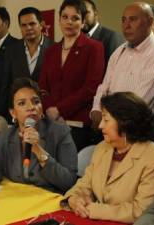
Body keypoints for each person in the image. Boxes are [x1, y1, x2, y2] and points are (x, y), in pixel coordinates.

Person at [62, 92, 154, 223]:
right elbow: (84, 184)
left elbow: (141, 211)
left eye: (106, 119)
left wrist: (93, 209)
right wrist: (75, 199)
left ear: (125, 123)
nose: (101, 125)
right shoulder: (102, 148)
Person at [0, 78, 78, 193]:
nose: (31, 107)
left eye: (36, 101)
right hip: (17, 201)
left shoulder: (60, 133)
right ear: (13, 113)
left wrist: (39, 151)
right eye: (22, 103)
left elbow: (69, 182)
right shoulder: (6, 135)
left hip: (49, 201)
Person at [90, 2, 154, 129]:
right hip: (109, 125)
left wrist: (107, 116)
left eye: (133, 20)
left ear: (150, 22)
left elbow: (139, 103)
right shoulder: (119, 51)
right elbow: (104, 86)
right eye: (123, 20)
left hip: (136, 131)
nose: (126, 25)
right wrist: (96, 108)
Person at [38, 0, 105, 151]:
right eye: (65, 17)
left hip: (78, 126)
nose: (69, 22)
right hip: (50, 123)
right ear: (59, 20)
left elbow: (91, 87)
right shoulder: (51, 51)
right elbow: (42, 87)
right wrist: (50, 110)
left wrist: (60, 109)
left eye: (75, 18)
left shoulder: (94, 48)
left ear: (82, 23)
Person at [0, 6, 54, 120]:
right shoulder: (12, 50)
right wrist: (5, 115)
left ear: (41, 24)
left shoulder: (54, 48)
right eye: (23, 25)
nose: (28, 28)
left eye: (32, 24)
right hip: (19, 114)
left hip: (46, 113)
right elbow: (6, 85)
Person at [82, 0, 124, 67]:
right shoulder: (74, 39)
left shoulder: (112, 37)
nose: (82, 17)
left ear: (95, 14)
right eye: (79, 13)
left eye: (86, 13)